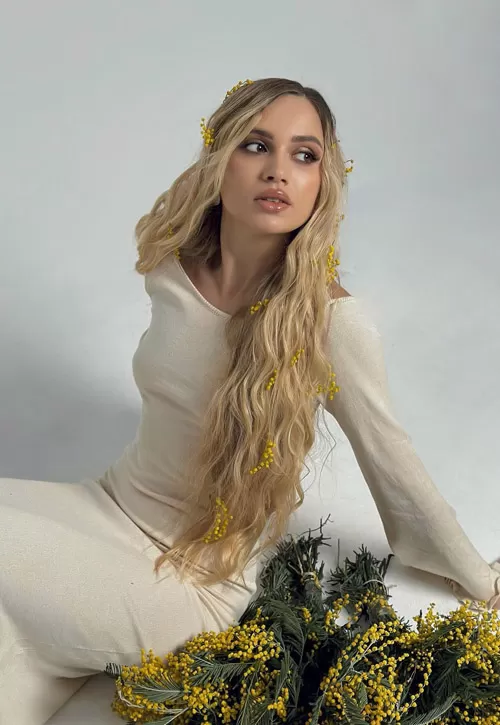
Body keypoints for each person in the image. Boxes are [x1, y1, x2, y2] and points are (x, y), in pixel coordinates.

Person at [1, 76, 499, 725]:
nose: (278, 171)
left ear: (323, 182)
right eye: (257, 145)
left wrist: (482, 578)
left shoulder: (331, 324)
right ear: (220, 157)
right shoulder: (173, 267)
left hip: (189, 583)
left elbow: (397, 469)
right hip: (105, 505)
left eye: (304, 154)